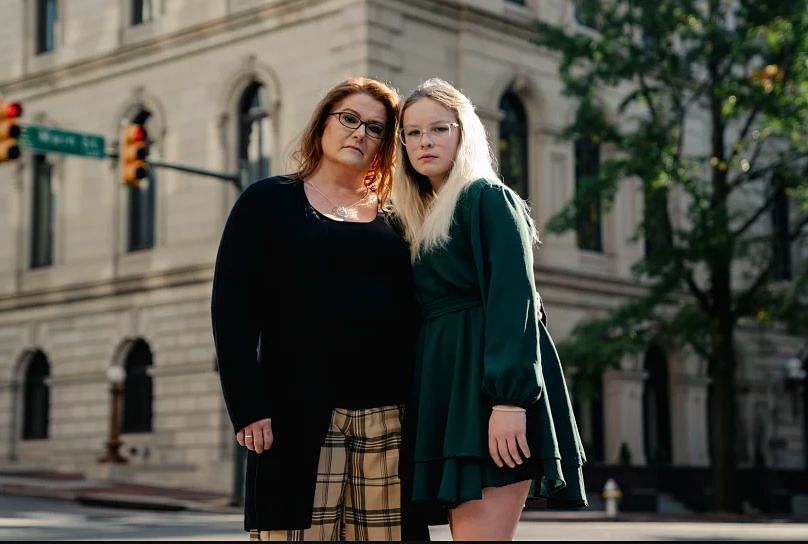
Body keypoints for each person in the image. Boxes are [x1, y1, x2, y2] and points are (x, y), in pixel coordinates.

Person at [211, 77, 428, 541]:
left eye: (375, 128)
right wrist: (247, 406)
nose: (359, 133)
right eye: (349, 119)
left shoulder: (402, 219)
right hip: (296, 418)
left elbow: (442, 293)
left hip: (391, 419)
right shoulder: (267, 202)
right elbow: (232, 314)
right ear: (322, 125)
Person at [391, 78, 588, 541]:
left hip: (488, 391)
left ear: (464, 133)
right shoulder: (415, 215)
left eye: (438, 129)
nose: (425, 142)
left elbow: (512, 301)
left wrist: (509, 400)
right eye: (414, 133)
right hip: (443, 390)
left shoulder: (488, 199)